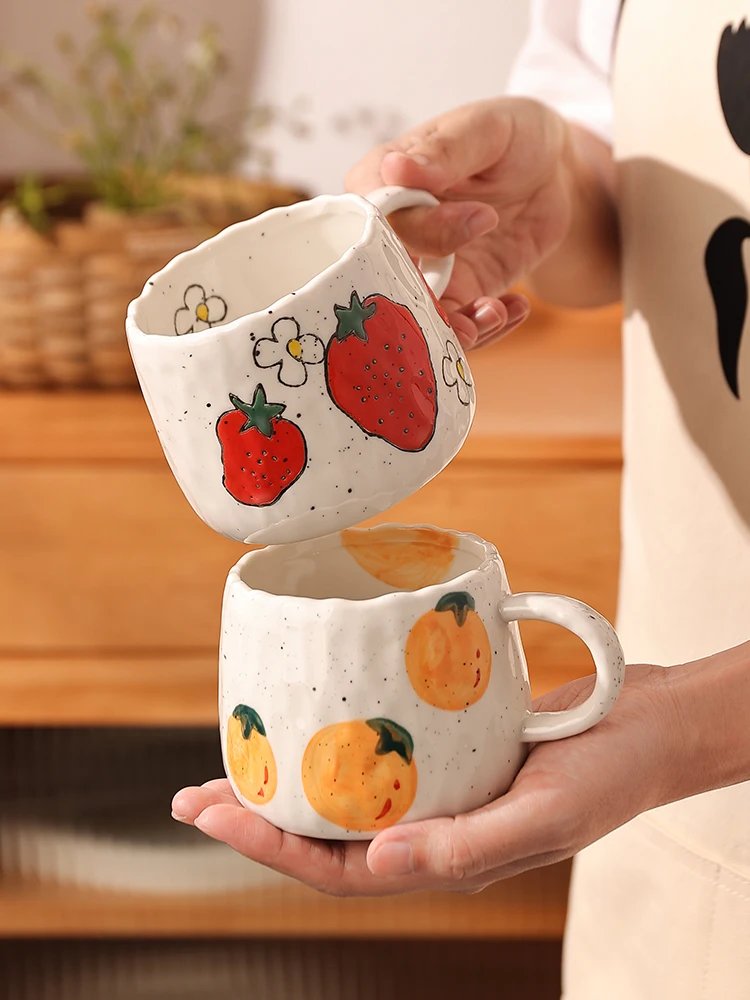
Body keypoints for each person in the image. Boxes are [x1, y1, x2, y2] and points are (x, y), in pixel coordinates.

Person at [172, 1, 750, 995]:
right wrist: (553, 186)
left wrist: (694, 729)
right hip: (673, 856)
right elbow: (651, 172)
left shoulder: (661, 740)